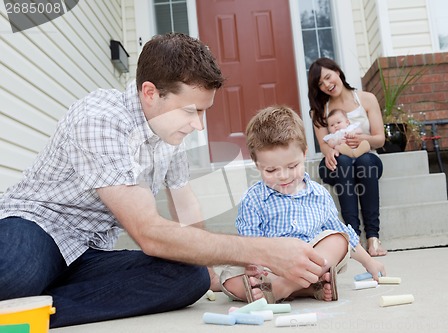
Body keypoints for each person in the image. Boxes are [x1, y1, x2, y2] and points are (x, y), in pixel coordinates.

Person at [0, 33, 327, 328]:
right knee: (17, 271)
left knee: (189, 277)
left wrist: (210, 270)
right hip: (36, 228)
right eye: (190, 111)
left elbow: (185, 204)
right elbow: (149, 233)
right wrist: (264, 252)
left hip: (87, 254)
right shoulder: (100, 119)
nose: (198, 126)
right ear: (150, 93)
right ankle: (24, 299)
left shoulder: (168, 133)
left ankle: (31, 313)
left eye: (203, 112)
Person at [219, 106, 385, 303]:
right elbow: (251, 244)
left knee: (338, 239)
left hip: (312, 260)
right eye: (271, 170)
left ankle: (284, 288)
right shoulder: (254, 199)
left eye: (292, 166)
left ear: (304, 153)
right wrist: (255, 267)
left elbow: (345, 235)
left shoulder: (319, 194)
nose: (284, 176)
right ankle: (305, 288)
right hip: (272, 266)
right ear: (257, 164)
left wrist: (369, 262)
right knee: (229, 278)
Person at [307, 57, 388, 257]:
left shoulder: (367, 99)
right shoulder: (319, 111)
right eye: (320, 83)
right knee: (343, 162)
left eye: (328, 77)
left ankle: (373, 238)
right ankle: (353, 238)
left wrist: (363, 138)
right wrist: (333, 150)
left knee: (365, 162)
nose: (327, 84)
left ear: (337, 71)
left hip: (365, 156)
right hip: (337, 162)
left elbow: (380, 139)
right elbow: (326, 147)